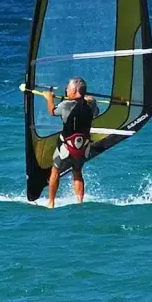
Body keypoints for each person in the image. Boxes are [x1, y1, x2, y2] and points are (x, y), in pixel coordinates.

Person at [44, 78, 99, 208]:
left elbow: (52, 111)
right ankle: (79, 202)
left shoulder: (65, 105)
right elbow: (96, 112)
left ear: (74, 90)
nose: (66, 90)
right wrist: (92, 100)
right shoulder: (91, 105)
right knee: (77, 173)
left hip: (66, 148)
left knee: (55, 172)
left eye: (68, 88)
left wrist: (49, 98)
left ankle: (51, 202)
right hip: (83, 148)